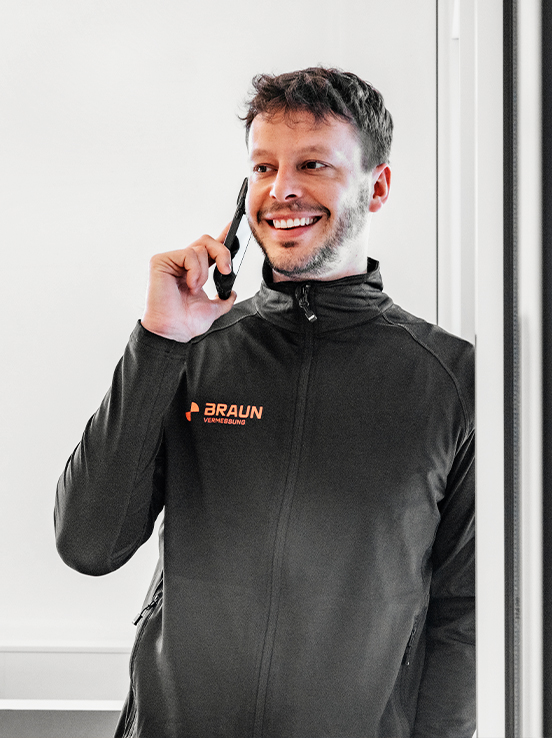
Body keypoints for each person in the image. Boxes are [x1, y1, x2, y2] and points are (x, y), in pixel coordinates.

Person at [55, 67, 475, 738]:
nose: (281, 190)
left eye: (313, 164)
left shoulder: (452, 378)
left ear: (378, 186)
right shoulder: (188, 348)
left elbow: (464, 617)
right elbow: (88, 543)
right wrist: (160, 340)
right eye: (263, 167)